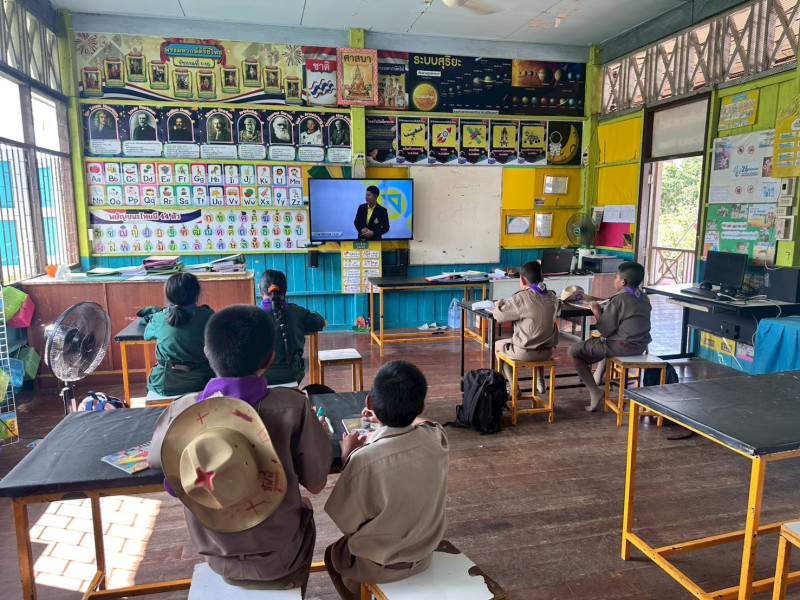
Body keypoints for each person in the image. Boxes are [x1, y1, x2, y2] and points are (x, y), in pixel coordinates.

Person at [147, 304, 332, 593]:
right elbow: (317, 484)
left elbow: (155, 460)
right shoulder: (293, 407)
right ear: (270, 358)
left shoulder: (181, 411)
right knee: (305, 510)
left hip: (216, 556)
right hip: (282, 557)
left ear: (207, 353)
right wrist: (320, 436)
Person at [324, 360, 449, 600]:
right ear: (421, 406)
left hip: (383, 566)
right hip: (425, 553)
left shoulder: (363, 460)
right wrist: (385, 419)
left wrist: (348, 457)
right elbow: (424, 423)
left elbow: (346, 523)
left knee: (333, 555)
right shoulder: (437, 437)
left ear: (370, 402)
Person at [567, 261, 652, 412]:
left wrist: (597, 312)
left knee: (573, 351)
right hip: (641, 346)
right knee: (608, 341)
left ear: (623, 282)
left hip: (622, 347)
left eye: (616, 277)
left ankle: (594, 391)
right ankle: (598, 375)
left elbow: (605, 331)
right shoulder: (644, 298)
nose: (615, 280)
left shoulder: (619, 300)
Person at [137, 273, 215, 397]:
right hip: (201, 382)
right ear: (197, 293)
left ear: (168, 295)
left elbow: (147, 336)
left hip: (164, 383)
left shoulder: (160, 317)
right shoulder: (208, 316)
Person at [491, 261, 560, 395]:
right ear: (542, 278)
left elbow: (499, 317)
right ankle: (540, 381)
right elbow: (557, 310)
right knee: (540, 335)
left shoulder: (520, 298)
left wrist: (497, 306)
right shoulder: (553, 296)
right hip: (546, 352)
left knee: (498, 347)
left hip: (525, 352)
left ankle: (514, 388)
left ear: (522, 280)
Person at [260, 270, 326, 386]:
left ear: (260, 290)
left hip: (261, 376)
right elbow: (322, 322)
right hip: (292, 375)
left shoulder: (250, 316)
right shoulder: (298, 312)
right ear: (286, 290)